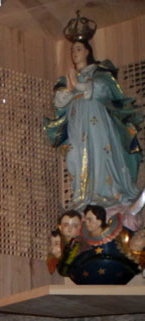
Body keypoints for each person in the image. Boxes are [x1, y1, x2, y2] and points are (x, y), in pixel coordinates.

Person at [45, 34, 143, 211]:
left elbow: (103, 90)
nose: (75, 53)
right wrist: (70, 87)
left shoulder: (99, 73)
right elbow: (59, 102)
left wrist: (79, 85)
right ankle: (82, 195)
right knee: (74, 154)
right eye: (72, 50)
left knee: (99, 151)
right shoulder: (66, 79)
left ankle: (105, 193)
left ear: (87, 52)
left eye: (79, 49)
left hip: (96, 120)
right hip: (77, 121)